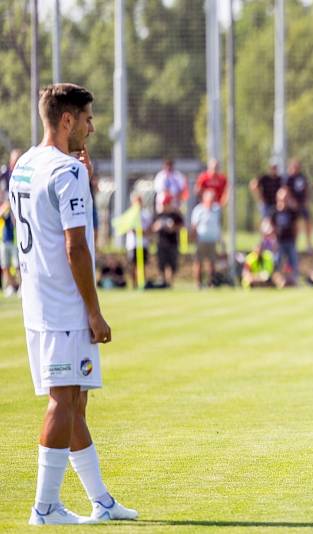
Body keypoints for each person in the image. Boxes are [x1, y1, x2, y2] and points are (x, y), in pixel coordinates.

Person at [9, 83, 136, 525]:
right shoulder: (67, 171)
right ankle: (44, 508)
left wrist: (82, 175)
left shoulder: (25, 163)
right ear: (67, 120)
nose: (92, 127)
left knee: (74, 401)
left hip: (37, 302)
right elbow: (76, 247)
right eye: (86, 119)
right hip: (63, 307)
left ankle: (101, 500)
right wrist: (94, 311)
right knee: (63, 402)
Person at [191, 189, 222, 288]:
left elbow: (218, 224)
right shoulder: (198, 210)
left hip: (212, 240)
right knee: (198, 262)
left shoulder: (217, 209)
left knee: (212, 263)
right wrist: (193, 238)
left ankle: (211, 282)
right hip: (201, 240)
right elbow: (194, 226)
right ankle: (198, 283)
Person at [1, 149, 21, 296]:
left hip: (18, 226)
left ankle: (21, 285)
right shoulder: (4, 176)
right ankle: (10, 285)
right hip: (4, 225)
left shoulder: (23, 176)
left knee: (17, 259)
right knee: (5, 259)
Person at [124, 193, 153, 289]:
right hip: (133, 244)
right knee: (133, 264)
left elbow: (149, 228)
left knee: (143, 264)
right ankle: (133, 284)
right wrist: (138, 231)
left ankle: (142, 283)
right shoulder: (130, 214)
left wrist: (144, 233)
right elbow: (130, 228)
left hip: (143, 243)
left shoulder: (146, 214)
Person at [271, 187, 299, 286]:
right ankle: (278, 281)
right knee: (277, 262)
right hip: (279, 242)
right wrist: (274, 240)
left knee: (293, 262)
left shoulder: (292, 211)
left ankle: (294, 281)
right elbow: (272, 227)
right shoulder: (274, 211)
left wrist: (295, 239)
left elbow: (295, 227)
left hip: (290, 241)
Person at [151, 205, 184, 287]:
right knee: (162, 263)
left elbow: (181, 226)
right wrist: (157, 226)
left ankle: (170, 282)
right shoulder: (158, 215)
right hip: (161, 243)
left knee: (172, 264)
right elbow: (152, 228)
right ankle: (163, 282)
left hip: (172, 243)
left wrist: (173, 228)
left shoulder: (175, 215)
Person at [286, 159, 313, 251]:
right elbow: (286, 190)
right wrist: (291, 202)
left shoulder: (302, 177)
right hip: (293, 206)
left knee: (308, 221)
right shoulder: (288, 178)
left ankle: (309, 244)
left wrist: (306, 200)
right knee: (294, 225)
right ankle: (294, 244)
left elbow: (306, 189)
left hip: (302, 204)